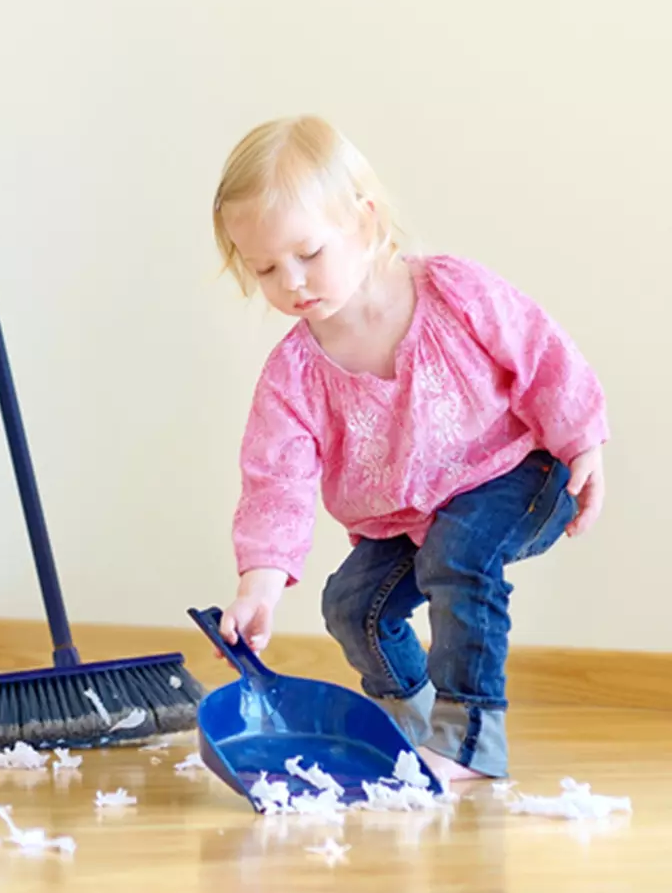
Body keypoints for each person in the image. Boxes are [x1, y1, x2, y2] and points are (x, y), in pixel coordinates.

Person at [213, 115, 607, 782]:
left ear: (364, 223)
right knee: (349, 606)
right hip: (408, 520)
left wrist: (585, 443)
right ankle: (417, 725)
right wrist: (259, 584)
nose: (292, 282)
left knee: (460, 550)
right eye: (266, 269)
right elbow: (274, 479)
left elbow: (541, 354)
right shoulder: (294, 374)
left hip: (521, 475)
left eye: (308, 254)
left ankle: (472, 736)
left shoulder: (453, 293)